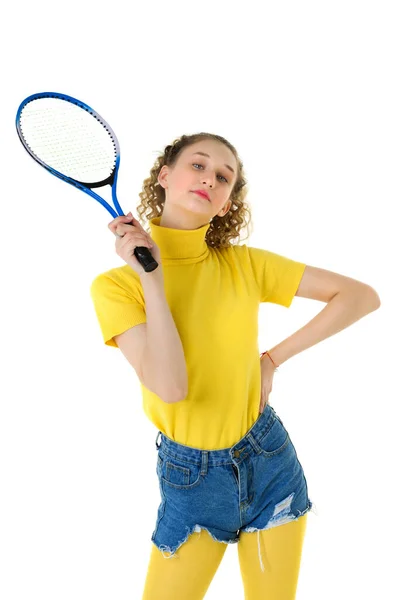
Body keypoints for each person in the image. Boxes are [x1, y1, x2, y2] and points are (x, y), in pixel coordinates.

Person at [90, 133, 380, 599]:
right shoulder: (116, 287)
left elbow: (361, 297)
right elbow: (169, 386)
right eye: (198, 166)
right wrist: (153, 279)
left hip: (268, 460)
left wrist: (272, 359)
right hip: (193, 479)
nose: (209, 178)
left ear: (225, 204)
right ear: (165, 176)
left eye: (223, 177)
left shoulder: (245, 265)